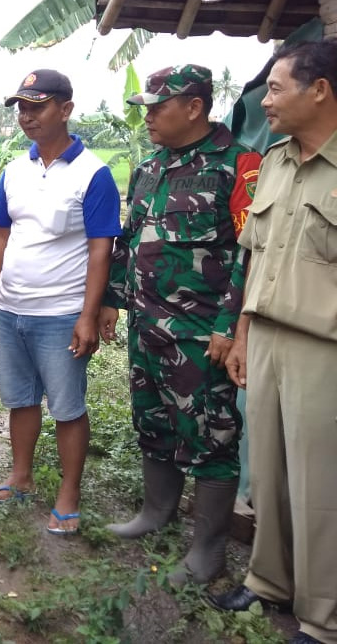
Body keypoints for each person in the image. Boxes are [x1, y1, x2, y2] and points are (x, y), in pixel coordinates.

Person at [99, 65, 260, 584]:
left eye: (157, 107)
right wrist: (111, 299)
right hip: (148, 325)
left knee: (210, 434)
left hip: (200, 333)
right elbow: (131, 239)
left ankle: (207, 552)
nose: (147, 116)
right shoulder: (149, 166)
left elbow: (249, 255)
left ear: (194, 106)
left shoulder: (238, 166)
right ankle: (155, 513)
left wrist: (229, 326)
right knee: (154, 422)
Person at [210, 41, 337, 644]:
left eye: (278, 88)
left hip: (324, 348)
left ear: (321, 90)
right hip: (264, 338)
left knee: (321, 484)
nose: (266, 101)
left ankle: (322, 617)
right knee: (268, 471)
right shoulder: (278, 159)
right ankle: (269, 582)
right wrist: (241, 334)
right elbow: (254, 259)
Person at [0, 69, 120, 534]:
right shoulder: (14, 170)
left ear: (65, 109)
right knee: (20, 400)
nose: (26, 116)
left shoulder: (93, 173)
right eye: (21, 107)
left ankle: (69, 493)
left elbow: (102, 249)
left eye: (37, 106)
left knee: (67, 407)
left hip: (61, 314)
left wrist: (87, 314)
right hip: (15, 309)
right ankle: (21, 477)